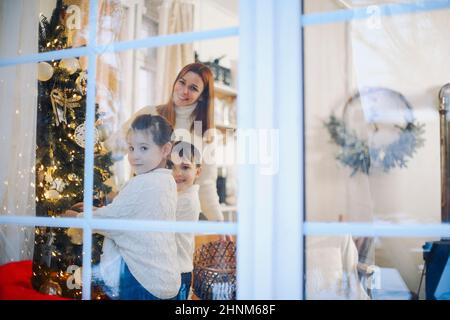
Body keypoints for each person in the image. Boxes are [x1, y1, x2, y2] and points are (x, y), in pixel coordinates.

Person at [63, 114, 180, 300]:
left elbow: (114, 220)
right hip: (162, 276)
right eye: (132, 148)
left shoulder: (144, 182)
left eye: (144, 148)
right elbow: (131, 214)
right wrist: (93, 210)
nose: (134, 156)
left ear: (165, 149)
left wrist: (76, 217)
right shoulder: (166, 180)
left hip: (141, 279)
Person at [112, 63, 225, 223]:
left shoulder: (206, 134)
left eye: (193, 88)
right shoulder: (150, 113)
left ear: (202, 96)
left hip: (179, 217)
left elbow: (206, 184)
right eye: (182, 82)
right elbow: (114, 148)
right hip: (141, 208)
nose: (184, 91)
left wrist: (219, 222)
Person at [168, 141, 202, 300]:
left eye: (185, 167)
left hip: (178, 272)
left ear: (198, 171)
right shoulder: (176, 195)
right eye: (171, 166)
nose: (177, 173)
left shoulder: (186, 200)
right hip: (174, 270)